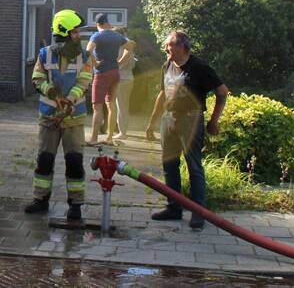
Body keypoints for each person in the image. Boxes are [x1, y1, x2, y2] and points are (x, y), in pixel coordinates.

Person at [145, 30, 229, 230]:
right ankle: (174, 208)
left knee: (193, 165)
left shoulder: (199, 67)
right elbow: (162, 94)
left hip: (190, 119)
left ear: (182, 46)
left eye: (169, 44)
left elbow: (222, 92)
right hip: (169, 119)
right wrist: (152, 122)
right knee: (169, 164)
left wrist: (213, 121)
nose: (166, 48)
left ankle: (198, 212)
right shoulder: (167, 65)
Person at [25, 9, 95, 221]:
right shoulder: (45, 54)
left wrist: (69, 99)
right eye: (75, 32)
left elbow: (85, 81)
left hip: (73, 119)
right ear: (64, 32)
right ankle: (40, 200)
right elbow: (37, 78)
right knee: (44, 160)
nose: (79, 35)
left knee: (74, 161)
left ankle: (76, 205)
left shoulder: (84, 56)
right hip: (49, 118)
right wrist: (52, 93)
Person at [86, 14, 136, 146]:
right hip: (115, 73)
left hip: (102, 74)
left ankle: (94, 139)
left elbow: (88, 50)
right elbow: (130, 47)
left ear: (97, 24)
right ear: (107, 23)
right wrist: (119, 62)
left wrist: (95, 63)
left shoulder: (97, 36)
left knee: (97, 106)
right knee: (111, 105)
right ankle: (109, 138)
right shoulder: (117, 36)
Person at [111, 26, 137, 139]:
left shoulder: (123, 46)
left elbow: (118, 63)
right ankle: (121, 130)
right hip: (127, 78)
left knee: (121, 106)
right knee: (122, 105)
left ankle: (122, 132)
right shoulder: (127, 45)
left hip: (122, 78)